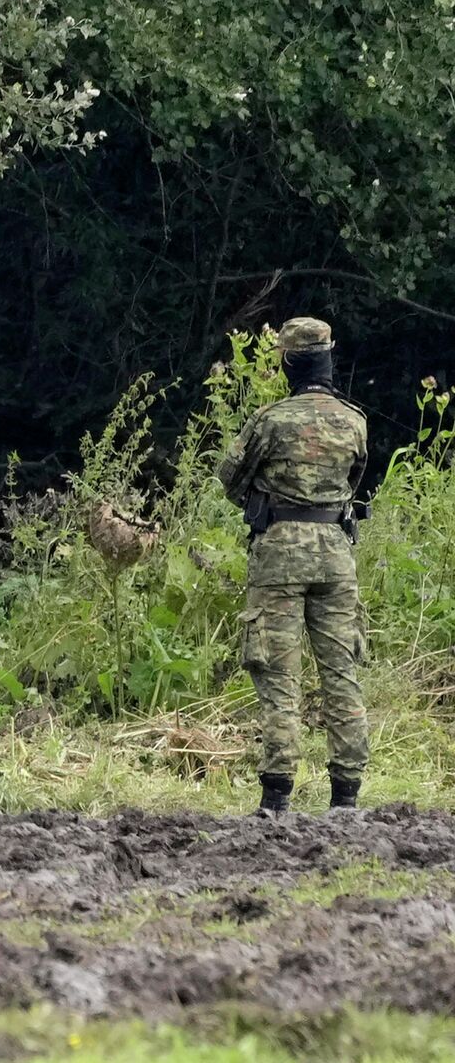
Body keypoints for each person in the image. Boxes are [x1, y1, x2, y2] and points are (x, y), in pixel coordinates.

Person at [217, 317, 369, 814]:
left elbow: (230, 477)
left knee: (278, 677)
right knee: (342, 672)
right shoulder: (354, 420)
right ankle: (346, 796)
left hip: (280, 551)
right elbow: (355, 478)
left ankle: (276, 796)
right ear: (328, 357)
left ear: (287, 361)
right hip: (335, 551)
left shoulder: (272, 420)